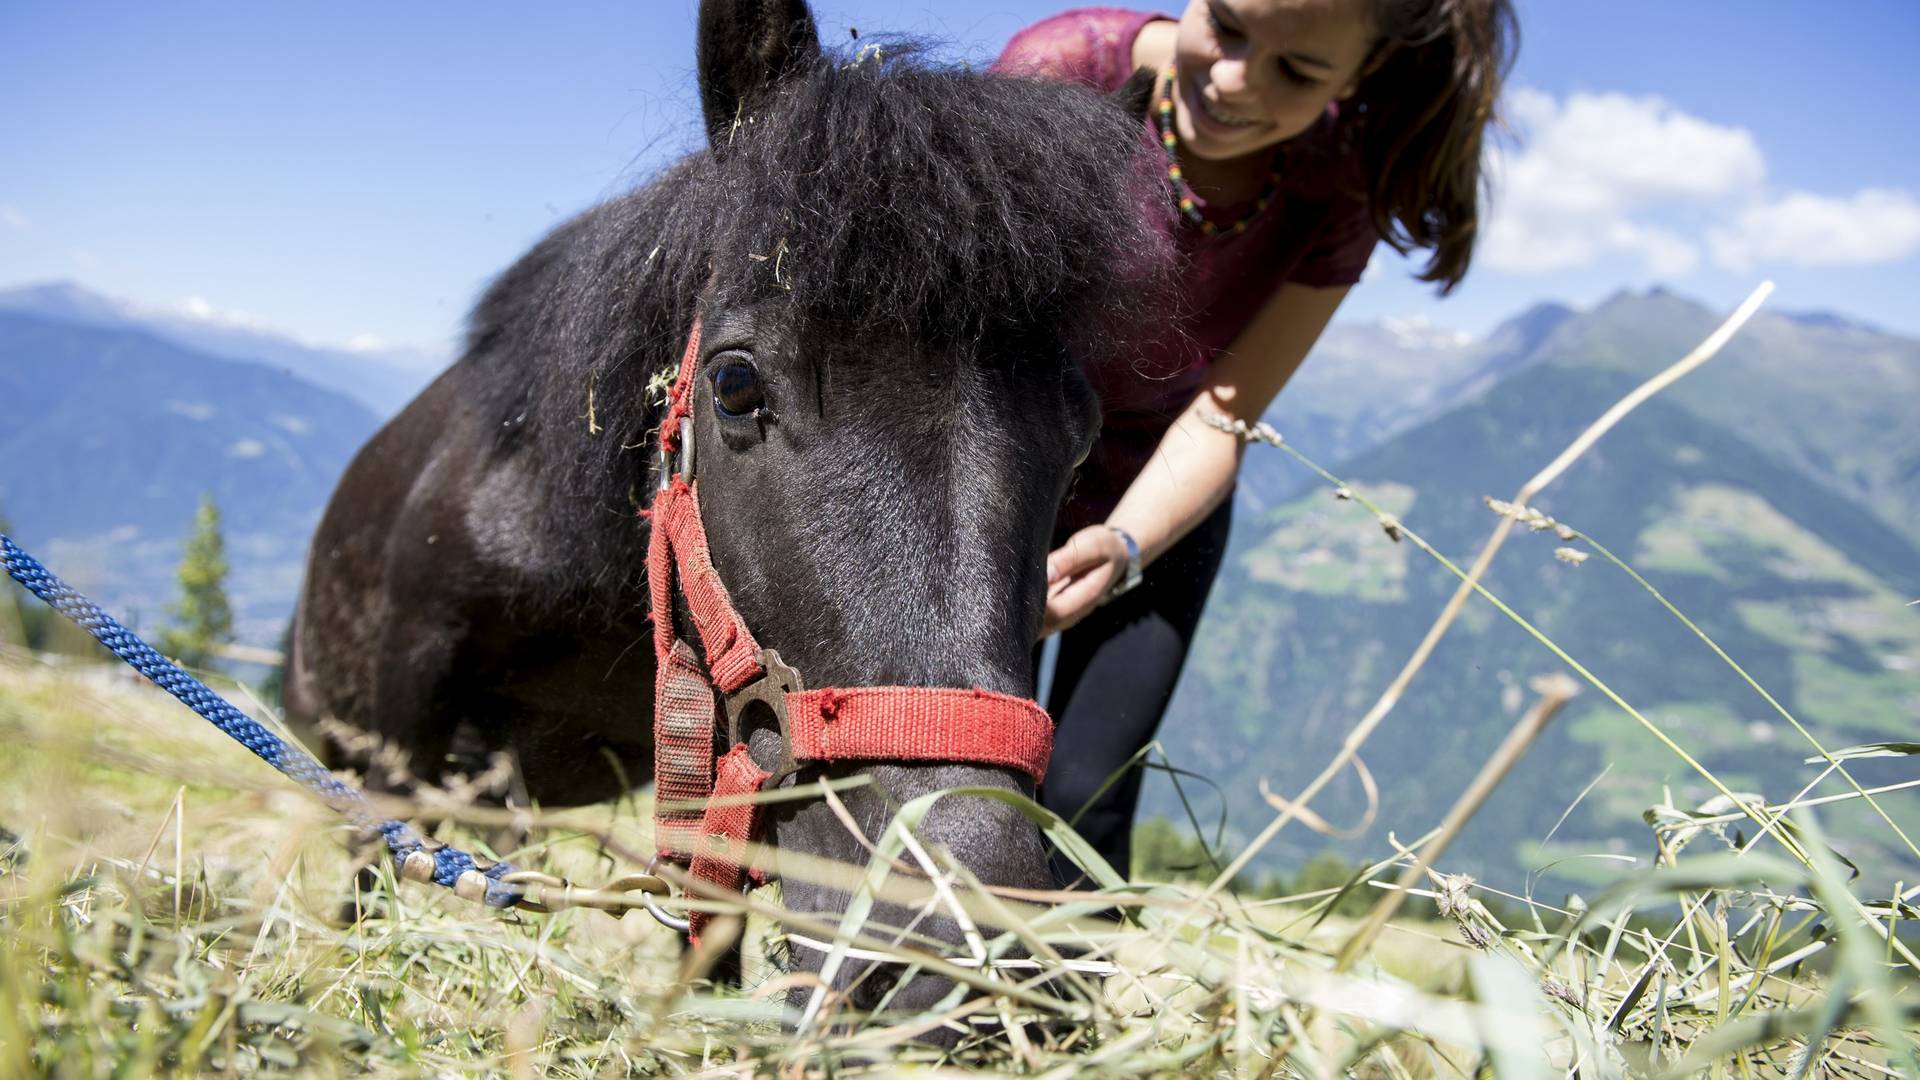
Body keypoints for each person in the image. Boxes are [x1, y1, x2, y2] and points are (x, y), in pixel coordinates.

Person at [993, 0, 1515, 883]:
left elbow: (1225, 413)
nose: (1235, 79)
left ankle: (1059, 1017)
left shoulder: (1335, 183)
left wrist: (1124, 546)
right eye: (1228, 26)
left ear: (1361, 78)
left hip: (1161, 503)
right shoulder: (1061, 76)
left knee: (1089, 795)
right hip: (999, 480)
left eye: (1299, 72)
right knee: (955, 758)